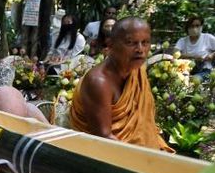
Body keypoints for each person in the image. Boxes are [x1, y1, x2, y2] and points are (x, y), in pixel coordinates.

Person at [70, 17, 172, 151]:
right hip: (104, 154)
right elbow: (104, 139)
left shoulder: (137, 71)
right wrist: (145, 158)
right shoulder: (99, 82)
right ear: (111, 45)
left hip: (140, 150)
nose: (140, 49)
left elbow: (144, 125)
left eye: (145, 42)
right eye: (131, 43)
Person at [175, 15, 215, 79]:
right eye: (192, 26)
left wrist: (212, 55)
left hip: (205, 70)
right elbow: (175, 54)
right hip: (185, 70)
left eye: (197, 25)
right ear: (188, 28)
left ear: (201, 26)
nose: (194, 28)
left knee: (195, 79)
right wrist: (193, 57)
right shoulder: (182, 41)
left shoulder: (208, 37)